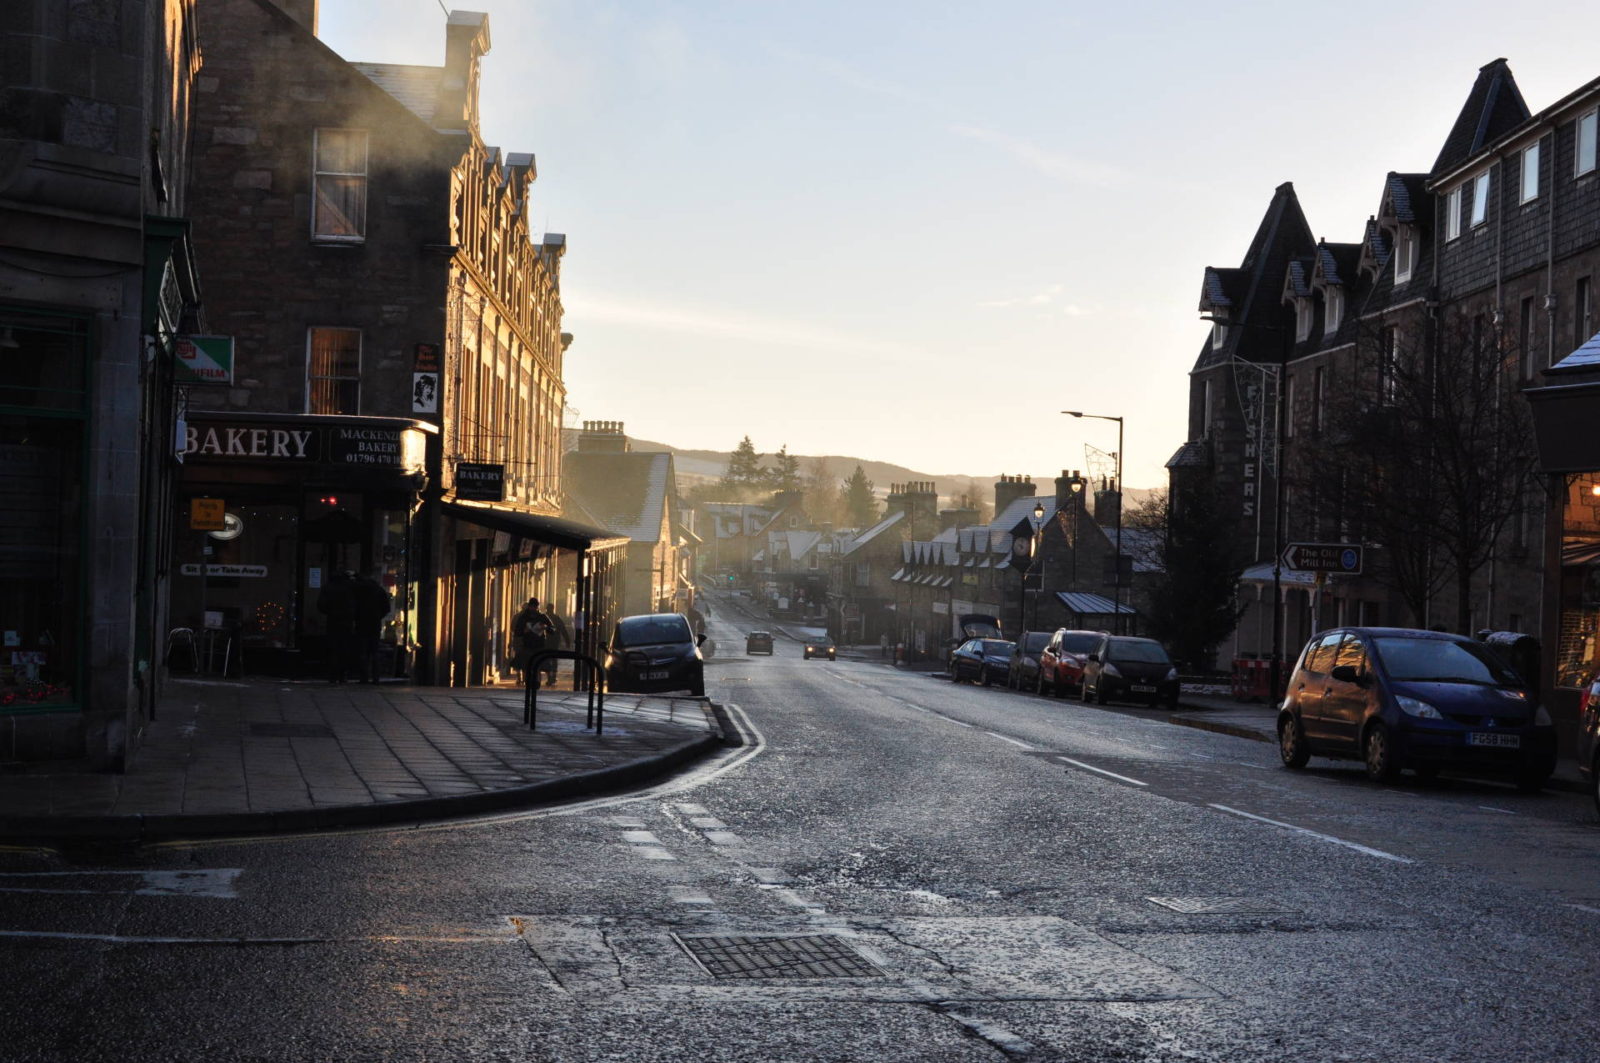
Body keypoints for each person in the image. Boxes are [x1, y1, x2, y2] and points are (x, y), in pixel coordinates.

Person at [351, 569, 393, 684]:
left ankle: (363, 677)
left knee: (362, 651)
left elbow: (352, 606)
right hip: (374, 623)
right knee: (374, 651)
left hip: (361, 623)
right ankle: (375, 677)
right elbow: (386, 608)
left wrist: (356, 617)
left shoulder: (357, 590)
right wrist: (378, 616)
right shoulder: (378, 590)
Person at [317, 570, 358, 683]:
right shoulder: (350, 588)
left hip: (333, 621)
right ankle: (343, 674)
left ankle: (333, 674)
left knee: (333, 648)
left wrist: (331, 611)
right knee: (344, 648)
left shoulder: (329, 587)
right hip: (347, 622)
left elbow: (321, 605)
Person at [510, 596, 556, 685]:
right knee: (527, 666)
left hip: (539, 645)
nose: (534, 609)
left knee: (538, 666)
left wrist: (545, 627)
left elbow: (553, 629)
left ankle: (536, 684)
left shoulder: (542, 617)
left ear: (537, 607)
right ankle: (527, 682)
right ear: (529, 607)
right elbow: (516, 631)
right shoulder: (523, 617)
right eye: (532, 606)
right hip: (527, 645)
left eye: (535, 607)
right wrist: (524, 631)